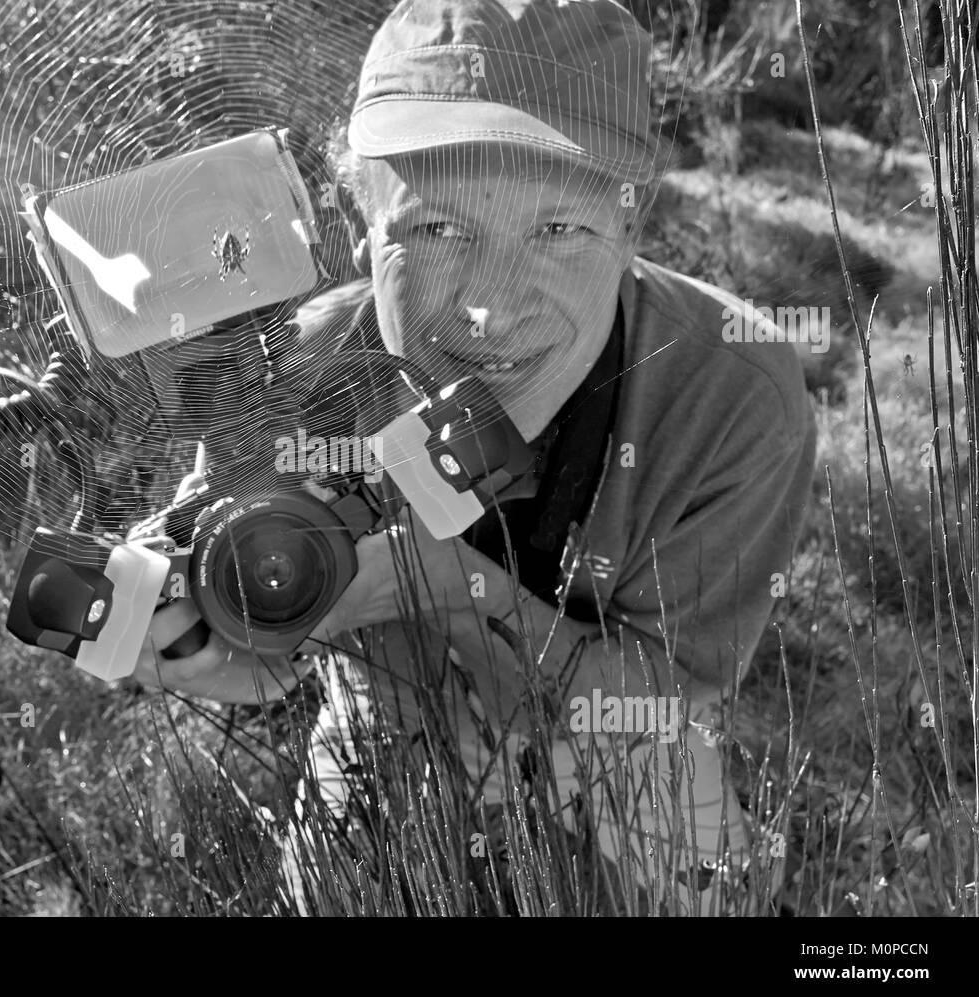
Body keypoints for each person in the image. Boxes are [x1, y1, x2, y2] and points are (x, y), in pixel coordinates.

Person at [134, 0, 817, 914]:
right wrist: (201, 640)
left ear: (633, 221)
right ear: (357, 216)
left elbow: (657, 712)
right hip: (384, 744)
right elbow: (255, 649)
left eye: (557, 231)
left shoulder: (733, 394)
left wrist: (449, 587)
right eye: (438, 229)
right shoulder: (292, 373)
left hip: (621, 766)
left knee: (709, 882)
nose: (489, 311)